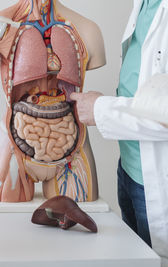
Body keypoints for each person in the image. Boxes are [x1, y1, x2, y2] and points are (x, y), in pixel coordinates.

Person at [71, 0, 168, 264]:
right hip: (129, 167)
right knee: (134, 259)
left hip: (158, 177)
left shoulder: (86, 30)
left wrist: (101, 110)